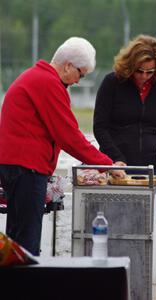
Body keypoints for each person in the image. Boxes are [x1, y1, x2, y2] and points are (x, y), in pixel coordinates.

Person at [0, 37, 125, 256]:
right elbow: (68, 136)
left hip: (17, 166)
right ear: (68, 65)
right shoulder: (48, 83)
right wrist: (107, 164)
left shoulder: (35, 77)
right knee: (26, 244)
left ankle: (14, 287)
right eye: (81, 74)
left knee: (17, 241)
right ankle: (23, 289)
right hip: (27, 168)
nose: (78, 81)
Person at [93, 34, 156, 216]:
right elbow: (100, 126)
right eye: (139, 71)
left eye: (150, 72)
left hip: (152, 170)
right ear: (130, 65)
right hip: (116, 169)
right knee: (115, 225)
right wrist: (115, 158)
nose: (144, 77)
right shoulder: (112, 83)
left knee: (146, 229)